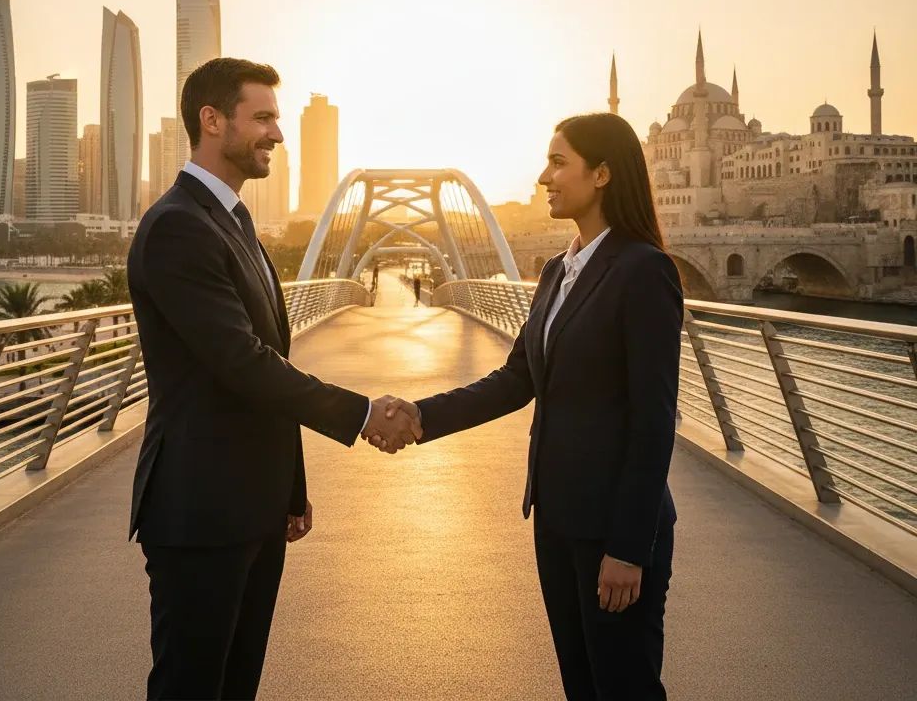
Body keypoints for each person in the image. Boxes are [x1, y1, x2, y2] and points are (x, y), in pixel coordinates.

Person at [127, 58, 420, 701]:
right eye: (262, 118)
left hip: (251, 508)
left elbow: (270, 358)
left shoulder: (232, 223)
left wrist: (290, 488)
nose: (277, 135)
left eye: (277, 120)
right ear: (212, 121)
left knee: (236, 686)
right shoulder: (179, 226)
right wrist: (365, 412)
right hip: (200, 511)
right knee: (191, 687)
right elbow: (242, 364)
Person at [369, 112, 683, 700]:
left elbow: (653, 420)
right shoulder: (559, 272)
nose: (544, 176)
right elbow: (517, 379)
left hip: (613, 529)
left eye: (559, 162)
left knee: (625, 687)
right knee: (582, 685)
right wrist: (422, 415)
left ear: (603, 175)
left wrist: (627, 547)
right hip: (558, 519)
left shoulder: (642, 270)